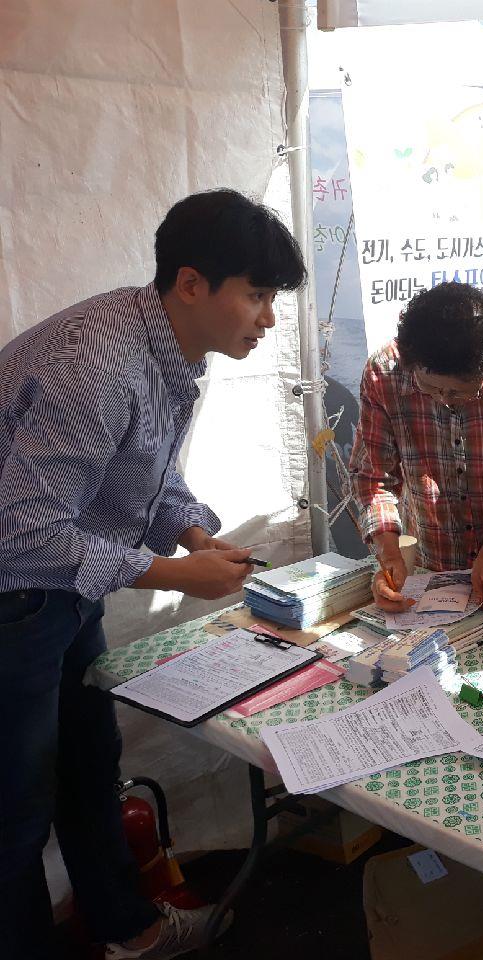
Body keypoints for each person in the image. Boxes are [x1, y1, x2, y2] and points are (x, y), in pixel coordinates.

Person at [0, 189, 306, 959]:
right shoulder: (98, 365)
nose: (268, 319)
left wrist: (197, 535)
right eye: (258, 296)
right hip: (15, 594)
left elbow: (146, 478)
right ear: (193, 283)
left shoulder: (167, 348)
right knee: (15, 811)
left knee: (89, 765)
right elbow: (22, 531)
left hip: (64, 589)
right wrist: (172, 571)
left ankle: (129, 931)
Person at [349, 283, 483, 613]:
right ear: (412, 363)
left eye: (461, 394)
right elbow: (373, 479)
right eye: (432, 389)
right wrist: (390, 554)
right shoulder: (384, 375)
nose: (445, 401)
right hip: (430, 565)